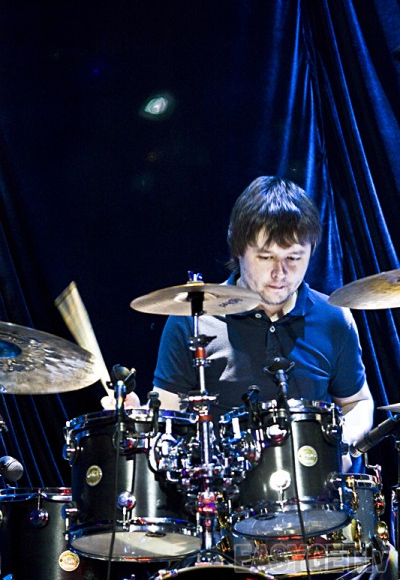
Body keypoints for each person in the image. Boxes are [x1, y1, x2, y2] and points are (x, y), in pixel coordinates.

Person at [147, 175, 374, 472]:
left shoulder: (334, 318)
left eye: (294, 258)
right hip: (227, 492)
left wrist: (341, 444)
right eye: (266, 257)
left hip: (313, 485)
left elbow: (357, 402)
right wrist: (139, 422)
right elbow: (167, 419)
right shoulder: (193, 320)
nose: (280, 273)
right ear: (239, 249)